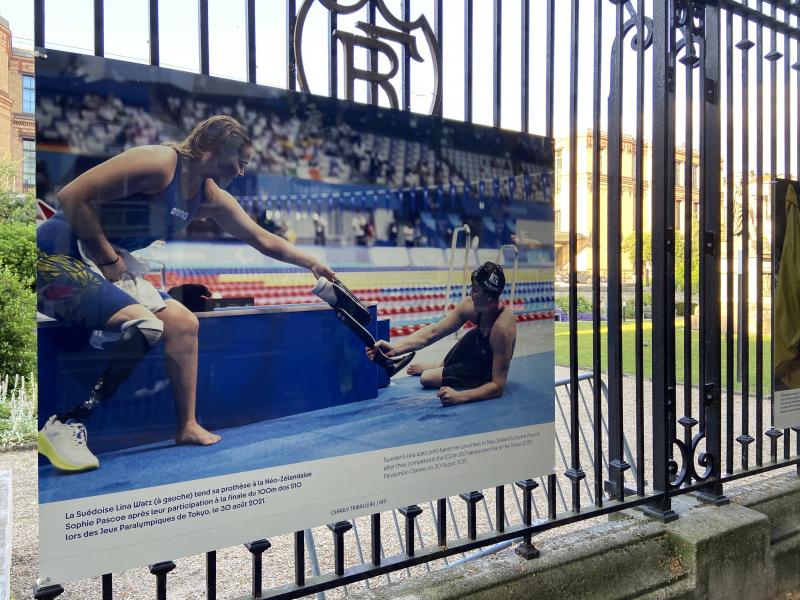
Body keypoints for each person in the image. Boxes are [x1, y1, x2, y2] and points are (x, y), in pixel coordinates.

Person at [37, 115, 335, 472]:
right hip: (56, 254)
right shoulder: (160, 163)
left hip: (103, 261)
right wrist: (109, 258)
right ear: (215, 149)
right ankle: (65, 423)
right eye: (240, 161)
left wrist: (311, 263)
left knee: (183, 324)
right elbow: (71, 196)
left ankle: (187, 426)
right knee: (145, 326)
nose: (241, 172)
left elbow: (261, 238)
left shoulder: (208, 196)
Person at [366, 262, 516, 406]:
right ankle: (438, 365)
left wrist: (460, 396)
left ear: (489, 296)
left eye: (476, 290)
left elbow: (497, 386)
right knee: (472, 336)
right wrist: (394, 349)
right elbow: (434, 331)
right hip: (479, 344)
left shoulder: (501, 330)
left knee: (427, 378)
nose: (471, 294)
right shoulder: (470, 306)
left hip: (488, 367)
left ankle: (438, 368)